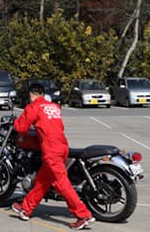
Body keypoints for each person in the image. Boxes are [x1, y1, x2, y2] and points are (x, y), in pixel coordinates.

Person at [11, 83, 95, 230]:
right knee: (43, 181)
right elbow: (57, 126)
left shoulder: (33, 107)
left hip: (51, 150)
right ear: (43, 94)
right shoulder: (55, 107)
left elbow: (21, 127)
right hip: (62, 146)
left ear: (32, 95)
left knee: (61, 184)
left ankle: (84, 215)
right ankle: (25, 209)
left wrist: (15, 121)